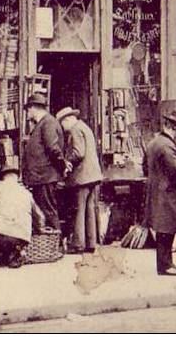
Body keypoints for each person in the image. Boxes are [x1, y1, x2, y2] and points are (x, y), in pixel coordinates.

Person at [144, 110, 176, 276]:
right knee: (166, 231)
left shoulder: (154, 142)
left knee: (164, 230)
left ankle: (167, 263)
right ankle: (165, 266)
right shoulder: (167, 145)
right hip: (167, 194)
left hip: (158, 191)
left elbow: (145, 166)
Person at [0, 160, 45, 267]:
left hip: (1, 235)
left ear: (1, 177)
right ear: (16, 177)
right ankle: (13, 254)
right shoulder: (26, 192)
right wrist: (39, 229)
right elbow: (40, 217)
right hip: (22, 239)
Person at [57, 106, 103, 254]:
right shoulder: (85, 127)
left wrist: (66, 161)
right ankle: (91, 243)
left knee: (79, 210)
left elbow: (78, 152)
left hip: (82, 177)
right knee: (89, 210)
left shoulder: (75, 129)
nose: (63, 128)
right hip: (93, 175)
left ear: (68, 119)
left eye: (62, 124)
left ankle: (78, 244)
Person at [22, 92, 67, 231]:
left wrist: (62, 166)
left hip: (45, 176)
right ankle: (48, 246)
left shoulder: (48, 123)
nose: (27, 113)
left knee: (47, 210)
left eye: (28, 109)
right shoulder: (43, 123)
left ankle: (54, 244)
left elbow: (53, 148)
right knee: (43, 211)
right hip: (41, 177)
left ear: (34, 108)